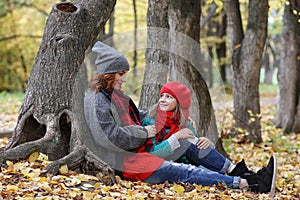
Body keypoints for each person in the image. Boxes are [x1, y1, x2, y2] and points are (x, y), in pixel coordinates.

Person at [84, 41, 277, 197]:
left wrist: (175, 120)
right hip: (127, 161)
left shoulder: (116, 96)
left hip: (139, 151)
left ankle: (242, 172)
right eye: (121, 74)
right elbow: (107, 137)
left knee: (187, 142)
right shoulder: (97, 100)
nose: (124, 79)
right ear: (108, 73)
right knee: (186, 172)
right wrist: (142, 132)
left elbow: (138, 115)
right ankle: (248, 184)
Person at [139, 81, 252, 175]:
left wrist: (207, 143)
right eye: (161, 96)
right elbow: (152, 155)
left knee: (215, 175)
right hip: (166, 167)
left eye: (168, 97)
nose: (162, 100)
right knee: (184, 143)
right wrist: (176, 137)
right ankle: (235, 170)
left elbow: (195, 148)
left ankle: (246, 178)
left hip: (189, 165)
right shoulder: (150, 122)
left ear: (179, 103)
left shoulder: (185, 122)